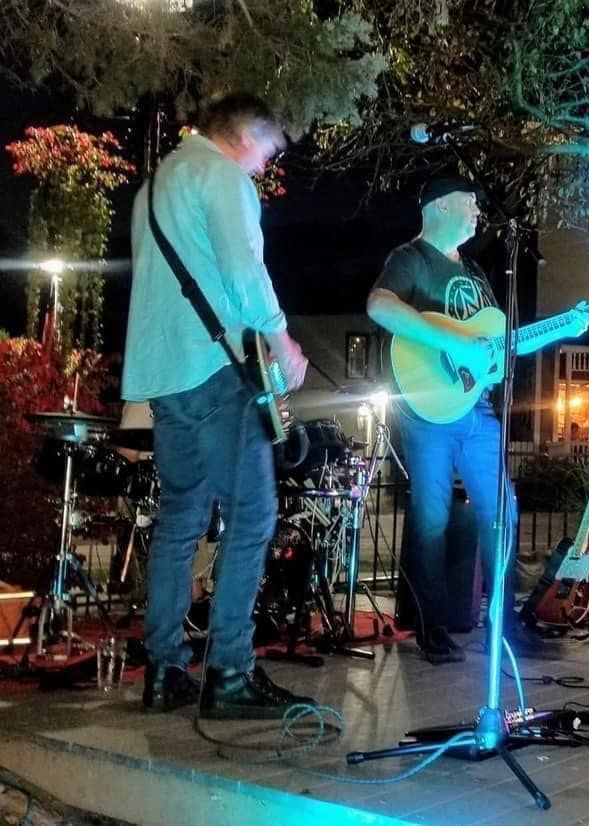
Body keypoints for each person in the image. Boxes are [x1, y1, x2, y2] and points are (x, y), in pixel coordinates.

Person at [122, 93, 313, 717]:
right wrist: (282, 339)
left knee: (180, 519)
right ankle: (230, 671)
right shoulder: (223, 176)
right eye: (267, 152)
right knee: (252, 516)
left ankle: (163, 671)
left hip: (165, 377)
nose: (263, 166)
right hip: (215, 371)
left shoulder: (155, 185)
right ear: (246, 135)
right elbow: (243, 270)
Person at [367, 176, 589, 664]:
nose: (476, 211)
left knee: (502, 512)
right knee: (431, 519)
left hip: (478, 409)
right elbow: (380, 306)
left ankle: (502, 626)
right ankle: (431, 628)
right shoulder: (411, 258)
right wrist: (454, 344)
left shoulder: (474, 271)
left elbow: (498, 344)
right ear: (440, 206)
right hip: (428, 410)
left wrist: (565, 327)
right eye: (468, 203)